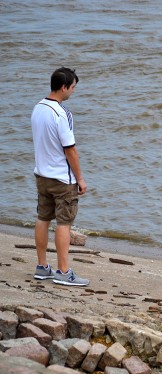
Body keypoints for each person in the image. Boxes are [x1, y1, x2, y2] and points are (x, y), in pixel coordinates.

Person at [31, 67, 89, 286]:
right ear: (64, 87)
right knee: (64, 223)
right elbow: (70, 149)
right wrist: (80, 179)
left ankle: (42, 266)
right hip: (62, 179)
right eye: (73, 87)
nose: (73, 91)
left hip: (41, 175)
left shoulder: (37, 107)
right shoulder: (61, 113)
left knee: (43, 218)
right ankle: (63, 272)